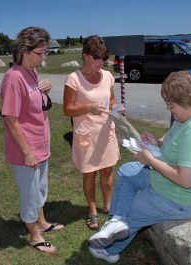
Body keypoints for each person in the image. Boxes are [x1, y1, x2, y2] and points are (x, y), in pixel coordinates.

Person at [88, 71, 191, 263]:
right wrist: (158, 143)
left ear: (187, 100)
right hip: (169, 181)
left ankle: (110, 250)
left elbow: (187, 180)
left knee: (132, 211)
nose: (169, 110)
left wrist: (151, 161)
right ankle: (115, 222)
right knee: (127, 171)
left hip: (182, 198)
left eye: (171, 105)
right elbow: (180, 144)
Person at [0, 26, 64, 254]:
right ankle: (35, 236)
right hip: (26, 150)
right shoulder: (13, 78)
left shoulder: (32, 72)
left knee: (40, 188)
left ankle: (43, 223)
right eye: (40, 53)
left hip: (40, 144)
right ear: (24, 51)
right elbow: (10, 119)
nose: (43, 57)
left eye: (45, 52)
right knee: (29, 194)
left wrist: (44, 88)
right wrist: (27, 152)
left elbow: (36, 103)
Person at [63, 35, 120, 230]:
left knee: (106, 170)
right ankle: (92, 210)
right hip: (87, 134)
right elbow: (67, 109)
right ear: (85, 56)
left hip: (106, 132)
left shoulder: (108, 76)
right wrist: (89, 107)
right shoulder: (74, 78)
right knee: (90, 174)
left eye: (103, 58)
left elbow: (111, 101)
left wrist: (116, 108)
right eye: (96, 58)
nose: (100, 62)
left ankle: (108, 206)